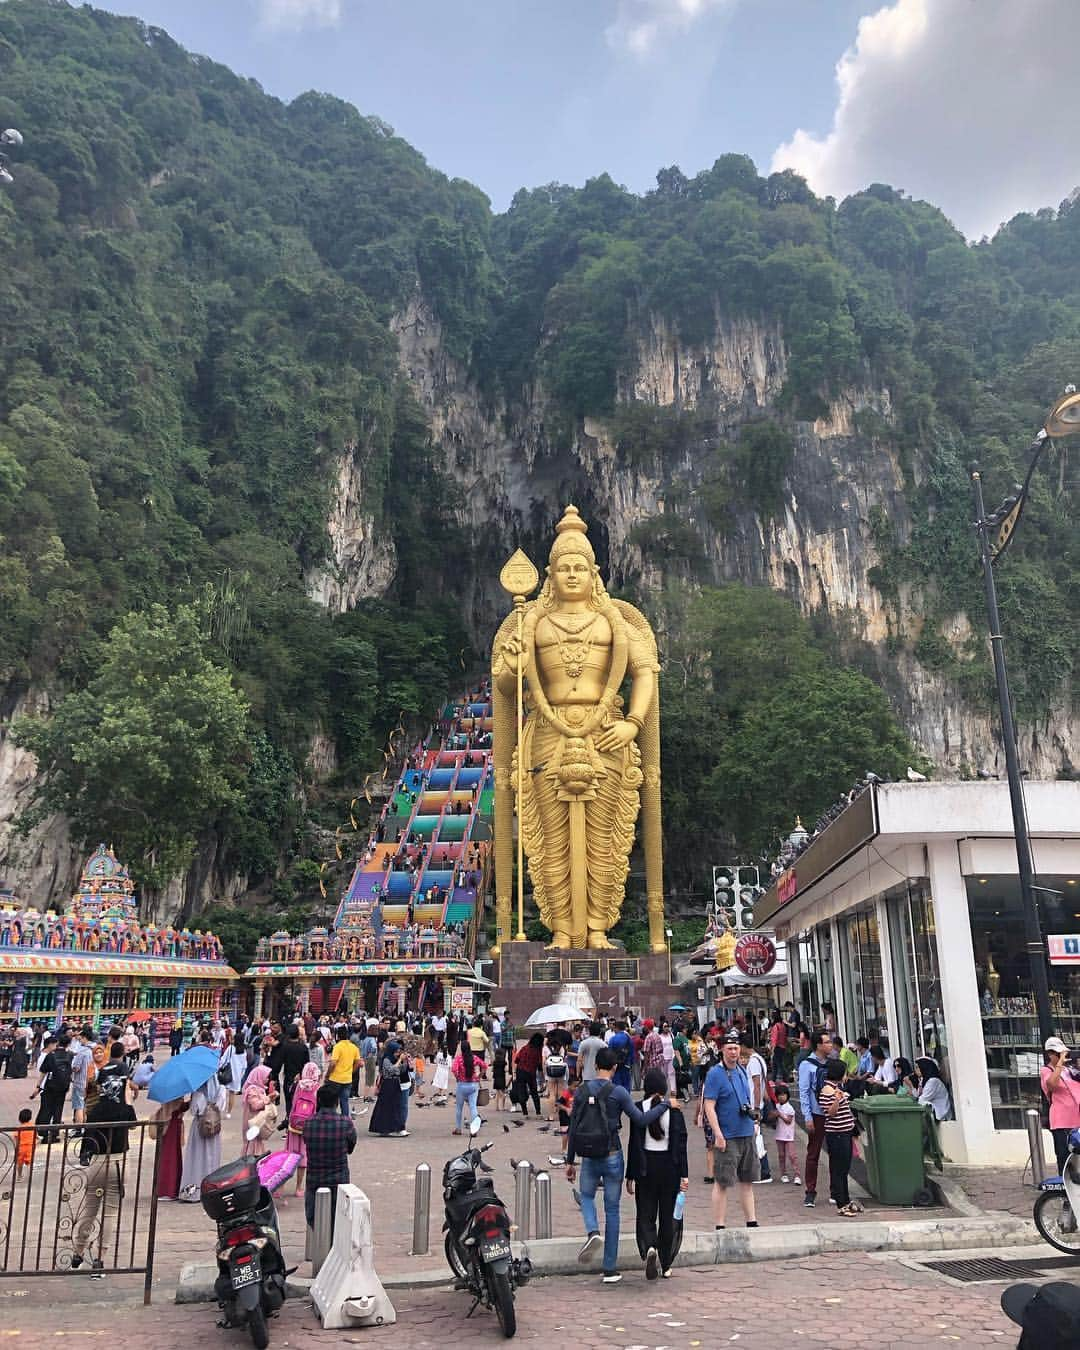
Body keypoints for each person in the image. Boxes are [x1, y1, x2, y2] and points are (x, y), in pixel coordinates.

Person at [565, 1047, 671, 1285]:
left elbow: (573, 1127)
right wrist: (664, 1106)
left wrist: (570, 1161)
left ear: (594, 1067)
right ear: (614, 1068)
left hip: (588, 1156)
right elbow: (641, 1119)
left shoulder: (581, 1090)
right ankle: (610, 1269)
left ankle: (592, 1232)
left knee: (586, 1196)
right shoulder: (619, 1092)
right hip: (612, 1155)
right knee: (612, 1210)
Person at [71, 1070, 136, 1278]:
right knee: (109, 1214)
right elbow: (133, 1124)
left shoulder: (96, 1109)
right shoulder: (123, 1110)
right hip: (117, 1161)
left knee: (89, 1211)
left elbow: (87, 1139)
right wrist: (127, 1099)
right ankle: (99, 1260)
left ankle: (78, 1254)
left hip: (97, 1162)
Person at [626, 1067, 688, 1281]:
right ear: (664, 1087)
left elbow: (633, 1143)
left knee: (646, 1211)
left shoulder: (638, 1108)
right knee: (668, 1214)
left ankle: (650, 1245)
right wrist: (685, 1174)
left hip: (645, 1166)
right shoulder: (675, 1110)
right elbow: (681, 1145)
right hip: (670, 1166)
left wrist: (630, 1174)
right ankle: (667, 1262)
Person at [702, 1033, 760, 1231]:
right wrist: (717, 1133)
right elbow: (709, 1105)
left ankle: (751, 1221)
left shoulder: (742, 1070)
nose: (734, 1052)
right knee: (723, 1181)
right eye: (730, 1048)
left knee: (748, 1179)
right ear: (722, 1050)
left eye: (736, 1048)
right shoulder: (715, 1074)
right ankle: (720, 1224)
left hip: (746, 1132)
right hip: (727, 1135)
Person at [302, 1083, 357, 1243]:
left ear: (318, 1100)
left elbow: (307, 1142)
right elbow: (350, 1147)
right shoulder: (345, 1123)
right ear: (337, 1102)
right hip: (339, 1180)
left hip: (315, 1180)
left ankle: (322, 1250)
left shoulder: (309, 1123)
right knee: (339, 1219)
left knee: (314, 1219)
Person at [819, 1058, 862, 1216]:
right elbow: (830, 1113)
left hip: (845, 1132)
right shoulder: (827, 1091)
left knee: (844, 1169)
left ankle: (846, 1200)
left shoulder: (836, 1088)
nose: (846, 1076)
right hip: (836, 1134)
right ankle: (841, 1203)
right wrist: (837, 1099)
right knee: (838, 1169)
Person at [798, 1032, 832, 1208]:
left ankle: (836, 1190)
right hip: (817, 1114)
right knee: (813, 1153)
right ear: (818, 1045)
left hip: (833, 1114)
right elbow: (804, 1092)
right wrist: (807, 1116)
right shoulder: (806, 1065)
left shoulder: (833, 1064)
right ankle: (810, 1191)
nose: (830, 1045)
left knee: (836, 1152)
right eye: (827, 1042)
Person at [739, 1037, 772, 1183]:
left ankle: (763, 1172)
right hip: (756, 1105)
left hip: (754, 1106)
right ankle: (758, 1171)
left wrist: (757, 1107)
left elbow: (757, 1085)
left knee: (756, 1140)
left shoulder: (753, 1061)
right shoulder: (759, 1059)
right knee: (755, 1139)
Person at [287, 1061, 322, 1199]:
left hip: (294, 1125)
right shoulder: (317, 1088)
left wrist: (290, 1122)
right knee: (303, 1158)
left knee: (290, 1157)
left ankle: (280, 1187)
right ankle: (299, 1188)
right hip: (308, 1127)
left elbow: (294, 1103)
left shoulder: (299, 1086)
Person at [33, 1032, 73, 1139]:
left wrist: (38, 1086)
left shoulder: (51, 1055)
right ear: (68, 1044)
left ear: (58, 1043)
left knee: (47, 1108)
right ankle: (55, 1133)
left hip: (50, 1086)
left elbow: (43, 1072)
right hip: (63, 1087)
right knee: (58, 1109)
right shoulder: (70, 1055)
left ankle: (43, 1132)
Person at [369, 1042, 408, 1137]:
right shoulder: (386, 1059)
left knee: (396, 1107)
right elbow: (391, 1070)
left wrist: (406, 1062)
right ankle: (384, 1129)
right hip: (387, 1085)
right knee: (386, 1107)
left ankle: (396, 1128)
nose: (397, 1054)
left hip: (395, 1084)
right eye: (396, 1052)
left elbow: (401, 1070)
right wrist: (399, 1060)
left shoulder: (395, 1059)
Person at [153, 1097, 186, 1201]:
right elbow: (175, 1108)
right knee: (169, 1158)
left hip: (172, 1125)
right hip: (171, 1126)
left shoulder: (171, 1094)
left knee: (170, 1157)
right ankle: (168, 1190)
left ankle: (169, 1189)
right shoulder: (173, 1096)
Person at [241, 1066, 276, 1157]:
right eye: (266, 1077)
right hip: (252, 1123)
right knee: (251, 1149)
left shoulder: (260, 1089)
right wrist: (268, 1099)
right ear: (259, 1076)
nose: (267, 1079)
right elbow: (255, 1105)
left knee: (256, 1146)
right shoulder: (252, 1090)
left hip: (257, 1123)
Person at [452, 1039, 484, 1135]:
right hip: (473, 1085)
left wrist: (458, 1077)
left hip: (462, 1085)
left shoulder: (459, 1058)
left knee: (459, 1108)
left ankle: (458, 1128)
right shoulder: (474, 1058)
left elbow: (454, 1069)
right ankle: (474, 1130)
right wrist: (479, 1077)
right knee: (473, 1107)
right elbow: (485, 1066)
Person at [326, 1025, 359, 1118]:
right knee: (344, 1101)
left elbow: (333, 1063)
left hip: (335, 1078)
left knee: (332, 1101)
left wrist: (327, 1075)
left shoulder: (337, 1047)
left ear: (338, 1036)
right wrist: (351, 1071)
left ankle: (332, 1120)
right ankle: (346, 1121)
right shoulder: (354, 1047)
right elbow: (358, 1062)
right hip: (347, 1079)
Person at [512, 1033, 543, 1117]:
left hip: (520, 1071)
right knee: (534, 1092)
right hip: (531, 1073)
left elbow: (516, 1060)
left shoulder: (524, 1048)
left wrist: (514, 1072)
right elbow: (540, 1065)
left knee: (521, 1091)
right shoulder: (538, 1050)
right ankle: (538, 1112)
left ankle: (525, 1113)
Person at [773, 1084, 799, 1183]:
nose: (781, 1097)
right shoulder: (776, 1106)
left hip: (788, 1136)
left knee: (792, 1155)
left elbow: (788, 1121)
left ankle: (797, 1174)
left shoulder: (789, 1108)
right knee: (781, 1155)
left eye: (783, 1094)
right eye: (779, 1095)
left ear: (787, 1095)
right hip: (779, 1135)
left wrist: (779, 1114)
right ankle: (783, 1174)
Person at [70, 1025, 95, 1127]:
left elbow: (76, 1067)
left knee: (79, 1106)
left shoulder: (82, 1051)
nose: (80, 1040)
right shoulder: (97, 1049)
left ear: (85, 1038)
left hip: (81, 1081)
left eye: (81, 1038)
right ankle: (86, 1126)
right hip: (92, 1080)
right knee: (87, 1105)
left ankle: (78, 1128)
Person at [915, 1056, 952, 1122]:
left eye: (917, 1067)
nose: (916, 1070)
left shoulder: (933, 1081)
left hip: (942, 1118)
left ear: (924, 1067)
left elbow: (921, 1100)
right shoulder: (923, 1081)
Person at [607, 1020, 634, 1093]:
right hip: (626, 1066)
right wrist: (630, 1063)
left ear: (616, 1028)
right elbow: (632, 1054)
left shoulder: (612, 1039)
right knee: (626, 1086)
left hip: (615, 1067)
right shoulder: (629, 1039)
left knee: (616, 1086)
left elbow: (609, 1054)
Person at [768, 1012, 790, 1082]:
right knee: (775, 1063)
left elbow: (774, 1038)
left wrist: (772, 1049)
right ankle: (773, 1078)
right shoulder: (783, 1025)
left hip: (777, 1047)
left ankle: (785, 1076)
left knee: (778, 1063)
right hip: (783, 1046)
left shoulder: (776, 1026)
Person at [15, 1107, 35, 1179]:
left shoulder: (19, 1128)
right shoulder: (32, 1126)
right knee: (29, 1162)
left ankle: (19, 1176)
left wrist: (16, 1148)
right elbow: (36, 1136)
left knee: (20, 1163)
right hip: (30, 1147)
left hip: (21, 1147)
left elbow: (17, 1138)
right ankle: (30, 1176)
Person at [492, 1044, 508, 1111]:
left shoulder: (494, 1062)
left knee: (497, 1093)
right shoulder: (504, 1062)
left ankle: (497, 1107)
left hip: (496, 1078)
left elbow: (492, 1069)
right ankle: (503, 1107)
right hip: (502, 1077)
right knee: (502, 1091)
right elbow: (506, 1070)